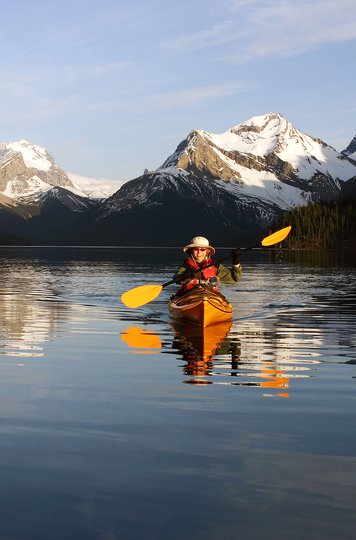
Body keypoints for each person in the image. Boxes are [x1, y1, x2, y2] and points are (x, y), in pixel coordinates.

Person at [173, 236, 242, 293]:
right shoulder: (185, 266)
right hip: (190, 294)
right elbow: (176, 279)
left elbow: (235, 278)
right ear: (191, 251)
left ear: (207, 251)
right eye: (196, 249)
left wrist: (236, 261)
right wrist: (184, 276)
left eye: (202, 249)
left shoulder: (215, 266)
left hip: (211, 295)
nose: (199, 253)